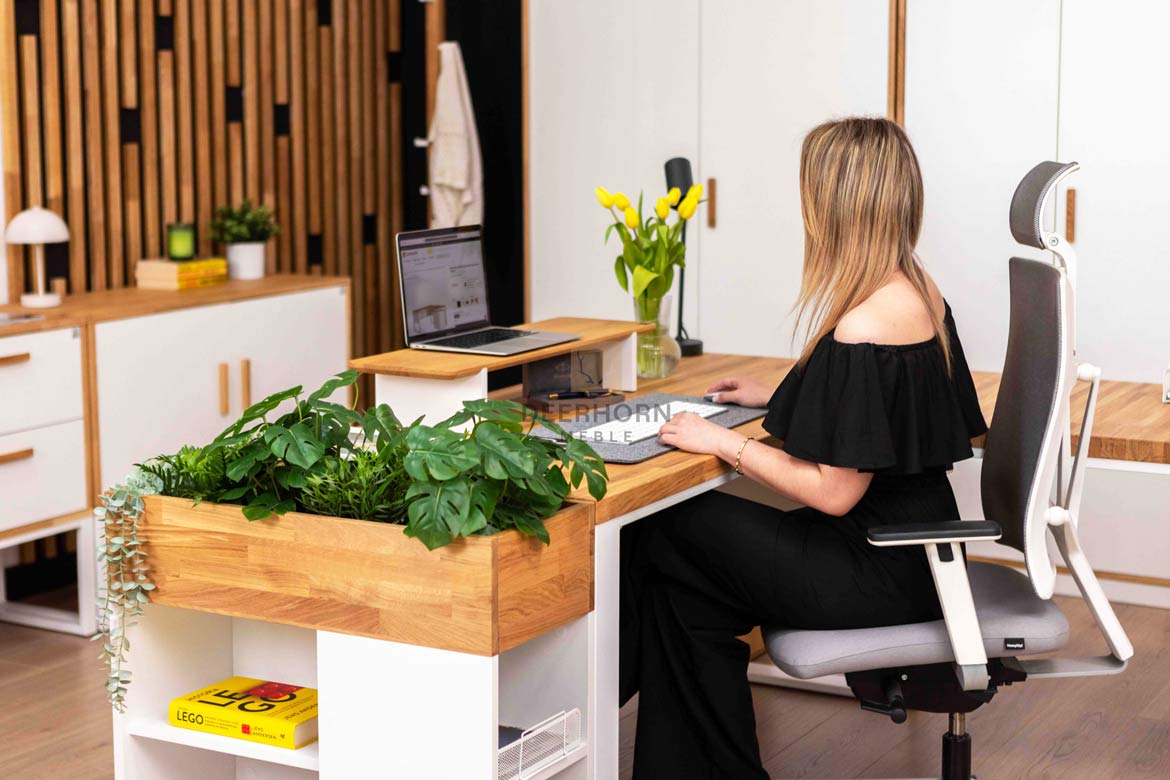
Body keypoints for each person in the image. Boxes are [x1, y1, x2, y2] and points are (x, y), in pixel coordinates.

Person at [619, 116, 988, 779]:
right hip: (919, 556)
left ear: (836, 204)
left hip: (871, 567)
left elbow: (834, 490)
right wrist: (777, 397)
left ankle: (592, 693)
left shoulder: (864, 324)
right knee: (684, 599)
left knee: (663, 526)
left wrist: (721, 442)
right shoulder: (916, 288)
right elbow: (880, 410)